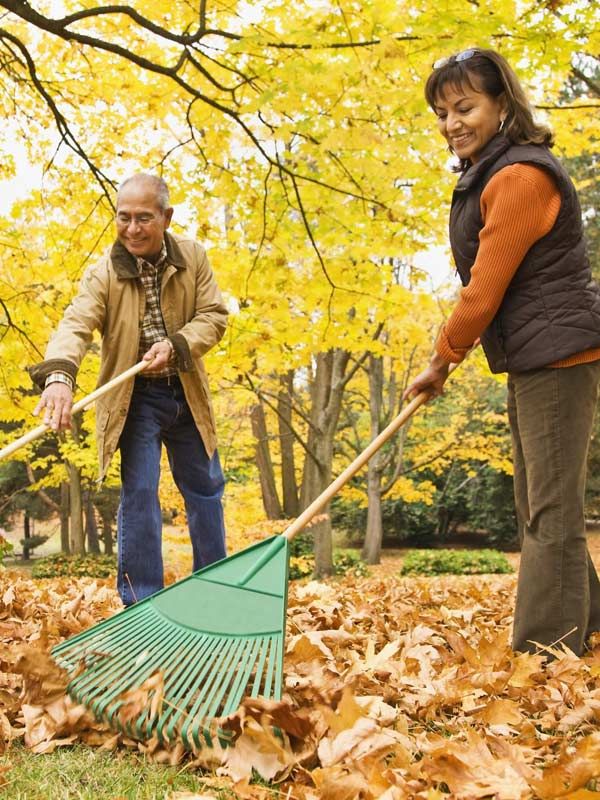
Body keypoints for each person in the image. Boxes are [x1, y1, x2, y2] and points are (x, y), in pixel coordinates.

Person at [404, 48, 600, 657]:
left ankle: (545, 649)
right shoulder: (492, 171)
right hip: (534, 357)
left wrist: (441, 361)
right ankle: (588, 622)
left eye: (465, 107)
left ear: (502, 104)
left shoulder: (519, 177)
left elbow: (483, 290)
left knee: (549, 508)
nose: (451, 123)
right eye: (442, 112)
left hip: (559, 358)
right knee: (540, 505)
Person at [30, 173, 228, 606]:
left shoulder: (193, 258)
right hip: (136, 399)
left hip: (186, 390)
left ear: (166, 217)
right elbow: (75, 324)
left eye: (144, 218)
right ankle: (142, 603)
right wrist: (60, 377)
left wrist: (177, 345)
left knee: (206, 488)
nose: (133, 228)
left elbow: (214, 316)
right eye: (124, 218)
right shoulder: (103, 273)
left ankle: (214, 590)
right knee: (139, 493)